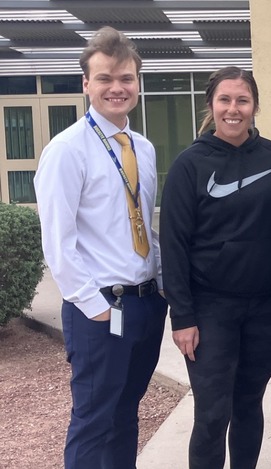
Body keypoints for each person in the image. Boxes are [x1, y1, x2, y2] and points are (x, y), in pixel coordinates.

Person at [33, 26, 168, 469]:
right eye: (105, 78)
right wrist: (96, 307)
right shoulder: (67, 151)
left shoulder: (143, 149)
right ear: (86, 83)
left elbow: (143, 222)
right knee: (94, 420)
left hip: (147, 305)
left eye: (126, 78)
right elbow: (57, 241)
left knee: (126, 415)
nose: (117, 88)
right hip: (101, 309)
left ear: (138, 84)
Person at [159, 66, 271, 468]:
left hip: (267, 309)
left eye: (242, 100)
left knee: (249, 403)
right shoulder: (190, 165)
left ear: (255, 107)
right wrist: (182, 316)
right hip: (209, 309)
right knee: (213, 413)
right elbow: (174, 244)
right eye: (225, 100)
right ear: (211, 105)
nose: (233, 109)